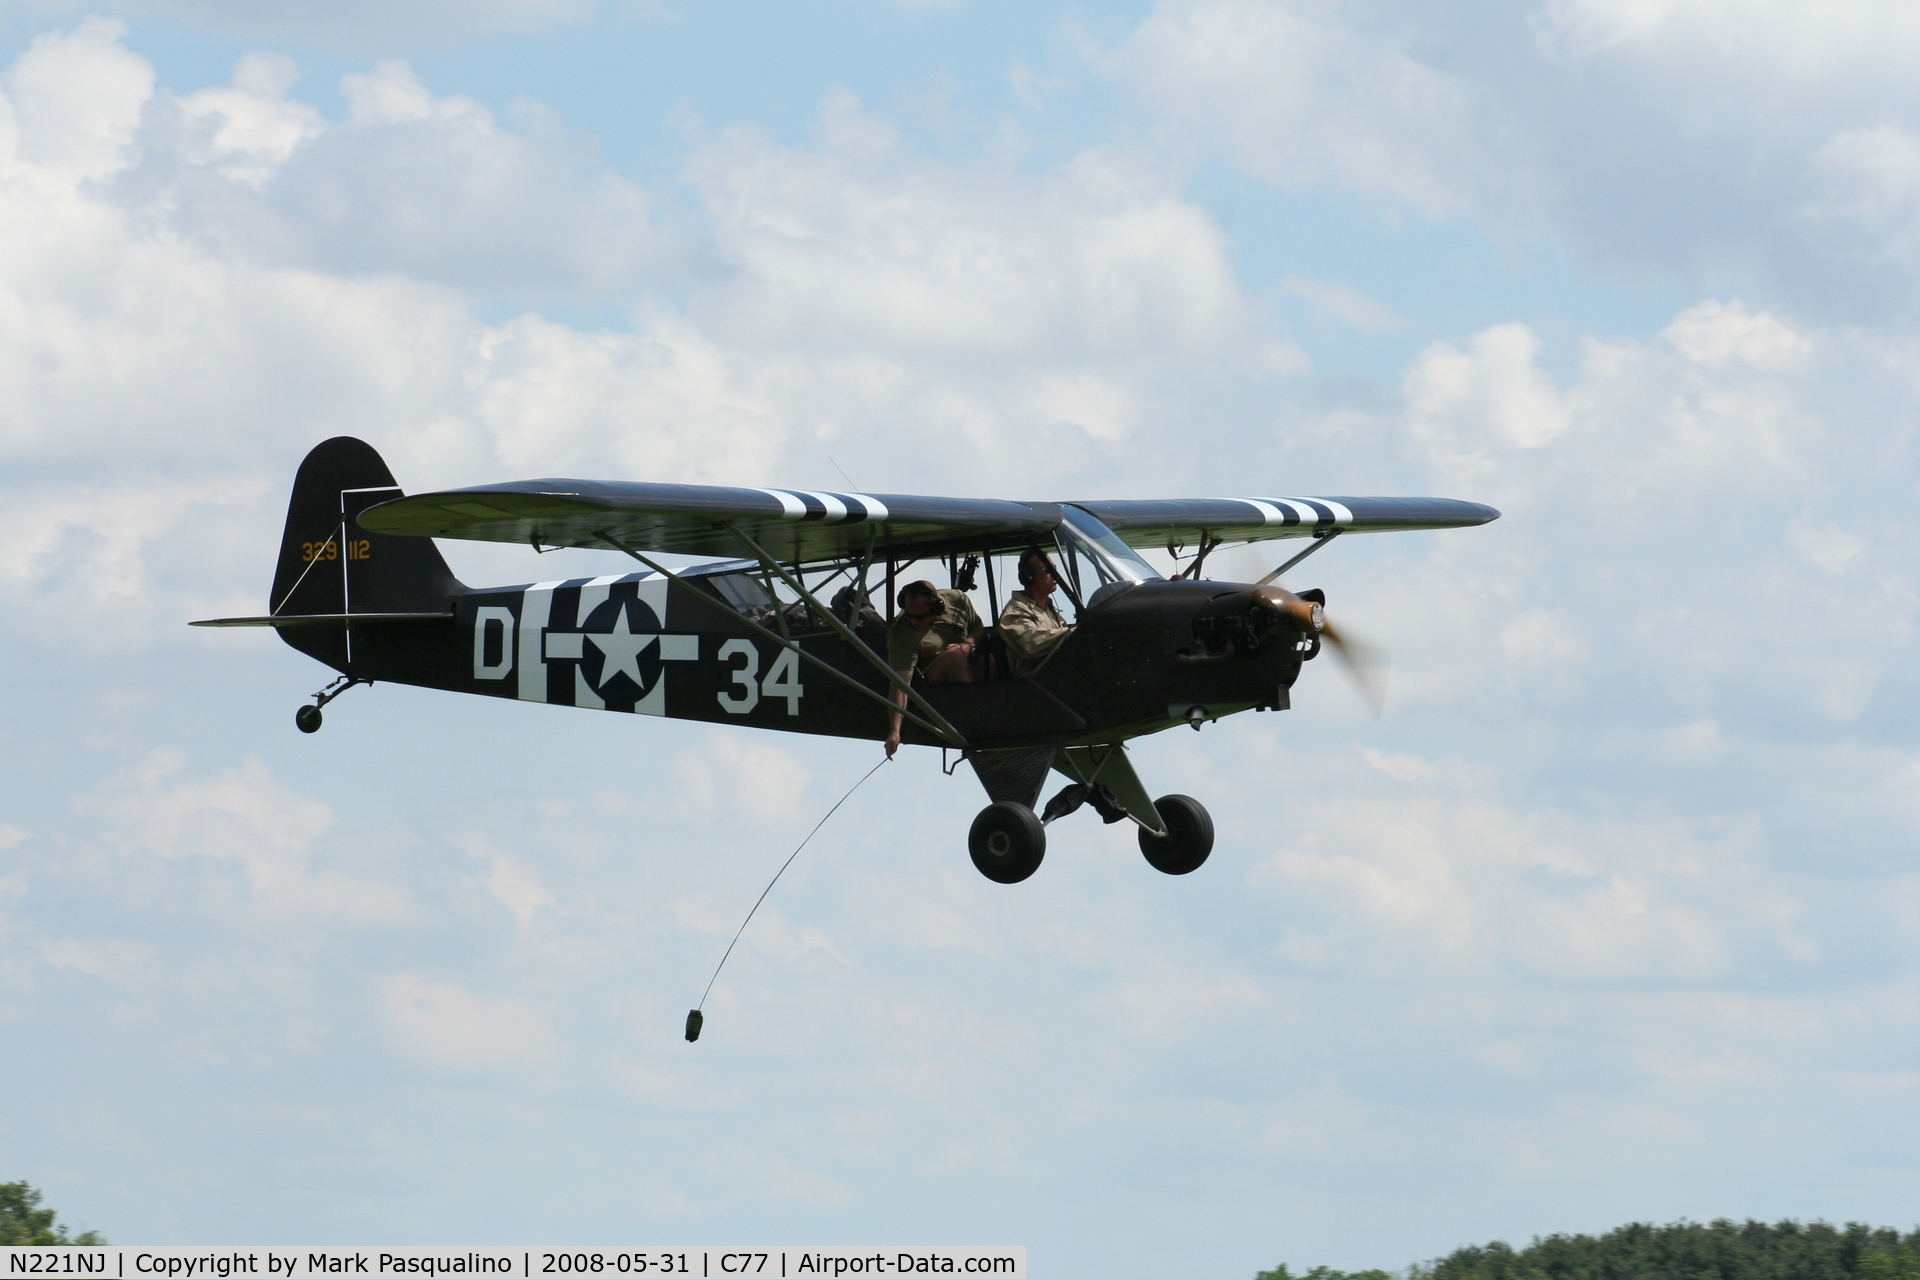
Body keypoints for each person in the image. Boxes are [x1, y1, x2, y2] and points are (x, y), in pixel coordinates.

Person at [883, 579, 985, 757]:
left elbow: (977, 629)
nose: (913, 621)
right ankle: (971, 718)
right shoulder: (901, 634)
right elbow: (900, 685)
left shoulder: (958, 600)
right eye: (909, 615)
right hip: (930, 684)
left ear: (937, 608)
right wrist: (894, 731)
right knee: (955, 655)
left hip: (968, 661)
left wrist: (968, 645)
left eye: (920, 617)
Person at [998, 547, 1074, 678]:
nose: (1054, 573)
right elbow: (1033, 646)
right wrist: (1074, 633)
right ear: (1029, 576)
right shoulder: (1015, 611)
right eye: (1047, 570)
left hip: (1059, 675)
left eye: (1054, 568)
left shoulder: (1048, 609)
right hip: (1035, 684)